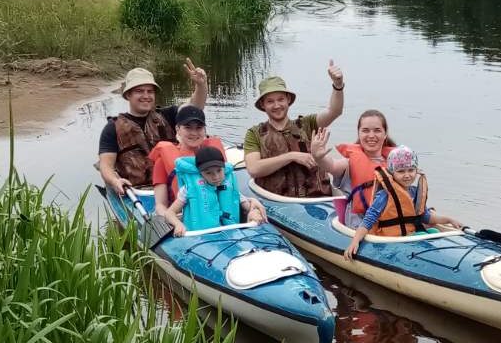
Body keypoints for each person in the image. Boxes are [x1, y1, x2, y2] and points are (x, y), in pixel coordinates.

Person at [98, 59, 208, 194]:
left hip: (176, 186)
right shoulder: (112, 128)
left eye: (150, 91)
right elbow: (106, 165)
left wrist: (201, 85)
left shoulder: (168, 115)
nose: (146, 96)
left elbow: (195, 108)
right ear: (128, 95)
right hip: (138, 191)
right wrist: (115, 181)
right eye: (139, 91)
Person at [242, 61, 345, 197]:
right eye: (270, 101)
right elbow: (254, 168)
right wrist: (291, 156)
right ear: (263, 105)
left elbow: (334, 111)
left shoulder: (307, 124)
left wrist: (338, 86)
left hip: (318, 199)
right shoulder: (254, 133)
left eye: (280, 99)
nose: (277, 105)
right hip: (278, 202)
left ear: (288, 100)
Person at [343, 146, 462, 261]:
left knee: (434, 232)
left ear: (416, 170)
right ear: (392, 173)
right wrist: (355, 242)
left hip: (410, 236)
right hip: (391, 241)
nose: (407, 175)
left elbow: (425, 216)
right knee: (424, 236)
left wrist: (449, 219)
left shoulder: (415, 192)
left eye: (411, 170)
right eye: (401, 171)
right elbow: (368, 221)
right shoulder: (384, 195)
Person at [166, 146, 268, 237]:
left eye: (219, 170)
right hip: (200, 238)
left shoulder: (229, 186)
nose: (216, 177)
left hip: (230, 234)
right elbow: (170, 213)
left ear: (224, 168)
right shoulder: (188, 189)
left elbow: (248, 206)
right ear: (200, 173)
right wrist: (178, 224)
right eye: (208, 173)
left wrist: (253, 211)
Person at [312, 109, 396, 220]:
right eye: (365, 130)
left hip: (391, 224)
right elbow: (331, 166)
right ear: (359, 133)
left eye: (377, 130)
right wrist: (318, 157)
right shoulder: (348, 164)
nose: (371, 135)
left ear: (385, 134)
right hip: (359, 227)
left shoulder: (396, 163)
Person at [149, 104, 227, 209]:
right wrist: (172, 219)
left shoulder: (215, 155)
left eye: (199, 128)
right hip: (182, 216)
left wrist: (251, 204)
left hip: (219, 213)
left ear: (204, 130)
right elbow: (160, 205)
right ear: (178, 129)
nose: (194, 133)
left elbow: (231, 189)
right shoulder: (162, 161)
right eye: (188, 128)